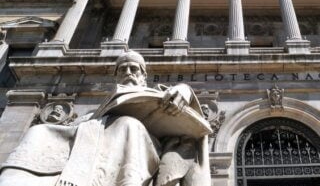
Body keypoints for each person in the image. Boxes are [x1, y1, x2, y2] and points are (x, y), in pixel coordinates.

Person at [0, 51, 211, 186]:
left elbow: (192, 118)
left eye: (134, 69)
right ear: (116, 76)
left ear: (143, 75)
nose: (128, 72)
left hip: (144, 145)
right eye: (123, 69)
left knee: (128, 124)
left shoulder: (159, 93)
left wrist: (185, 90)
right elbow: (78, 126)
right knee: (39, 131)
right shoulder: (104, 104)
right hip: (98, 139)